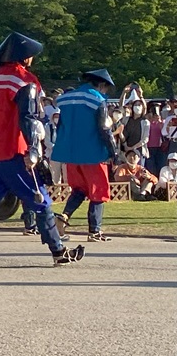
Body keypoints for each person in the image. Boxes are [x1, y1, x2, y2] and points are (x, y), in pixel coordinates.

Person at [0, 32, 83, 268]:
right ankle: (58, 250)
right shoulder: (24, 80)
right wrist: (34, 149)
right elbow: (30, 118)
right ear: (24, 58)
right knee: (40, 200)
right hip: (14, 150)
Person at [51, 69, 120, 242]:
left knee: (80, 190)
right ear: (101, 84)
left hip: (71, 153)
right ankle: (94, 231)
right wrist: (114, 153)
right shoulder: (97, 99)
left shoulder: (65, 99)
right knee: (99, 191)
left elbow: (60, 126)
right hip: (93, 152)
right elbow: (104, 129)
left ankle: (63, 218)